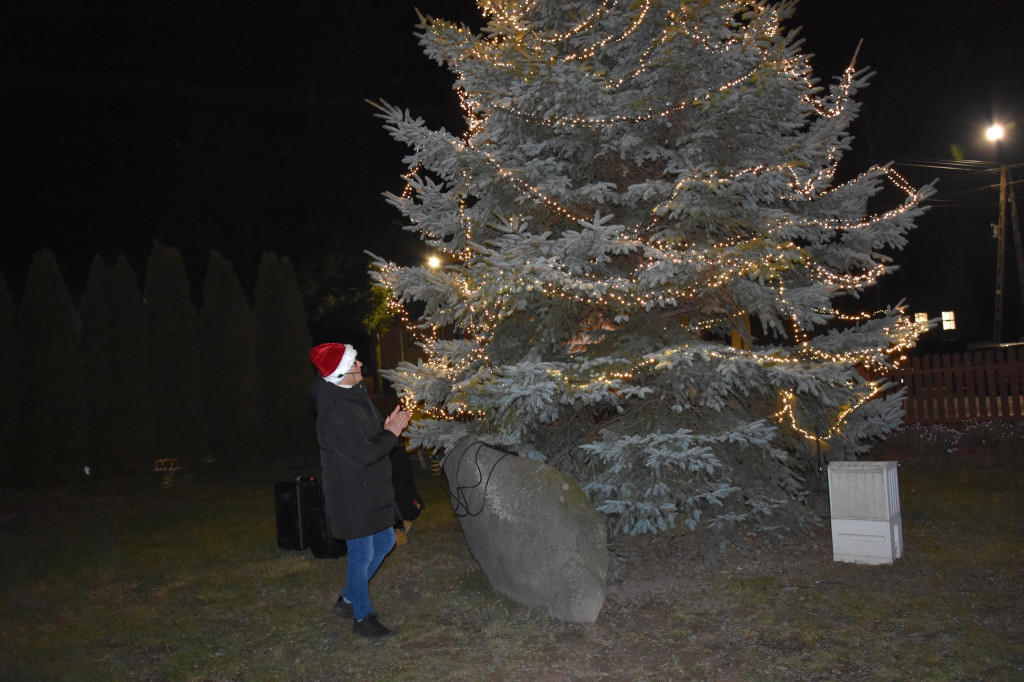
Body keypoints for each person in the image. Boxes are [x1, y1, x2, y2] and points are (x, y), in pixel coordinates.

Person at [308, 342, 411, 640]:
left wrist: (386, 428)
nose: (360, 365)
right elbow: (362, 454)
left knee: (385, 540)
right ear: (341, 373)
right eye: (354, 364)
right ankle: (362, 617)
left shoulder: (352, 392)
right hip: (350, 494)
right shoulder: (334, 412)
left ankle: (350, 599)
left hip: (368, 489)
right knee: (361, 553)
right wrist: (390, 435)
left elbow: (368, 434)